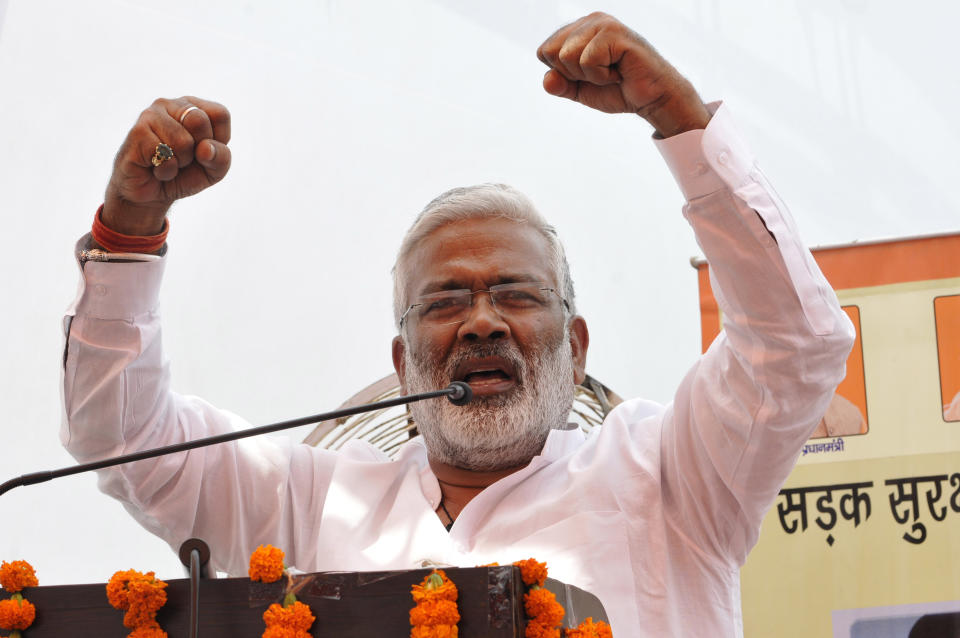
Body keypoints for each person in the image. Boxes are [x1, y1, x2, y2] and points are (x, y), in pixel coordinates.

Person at [61, 12, 855, 636]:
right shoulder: (307, 500)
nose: (481, 322)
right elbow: (124, 440)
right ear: (404, 365)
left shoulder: (672, 474)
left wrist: (680, 122)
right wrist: (129, 230)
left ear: (575, 349)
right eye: (444, 303)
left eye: (514, 294)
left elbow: (795, 344)